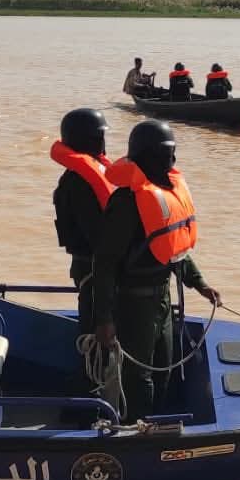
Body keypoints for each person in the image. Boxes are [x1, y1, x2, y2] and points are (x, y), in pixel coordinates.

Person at [91, 121, 220, 422]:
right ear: (147, 156)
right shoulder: (126, 203)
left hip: (162, 299)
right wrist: (104, 319)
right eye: (165, 154)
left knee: (165, 368)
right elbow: (105, 263)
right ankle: (137, 430)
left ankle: (155, 421)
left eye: (172, 153)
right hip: (134, 304)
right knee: (139, 377)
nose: (171, 160)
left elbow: (174, 248)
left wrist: (200, 283)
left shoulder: (164, 196)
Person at [49, 108, 112, 359]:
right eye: (99, 137)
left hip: (101, 268)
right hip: (92, 270)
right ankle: (91, 380)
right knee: (96, 341)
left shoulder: (95, 171)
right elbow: (97, 236)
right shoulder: (77, 183)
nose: (103, 142)